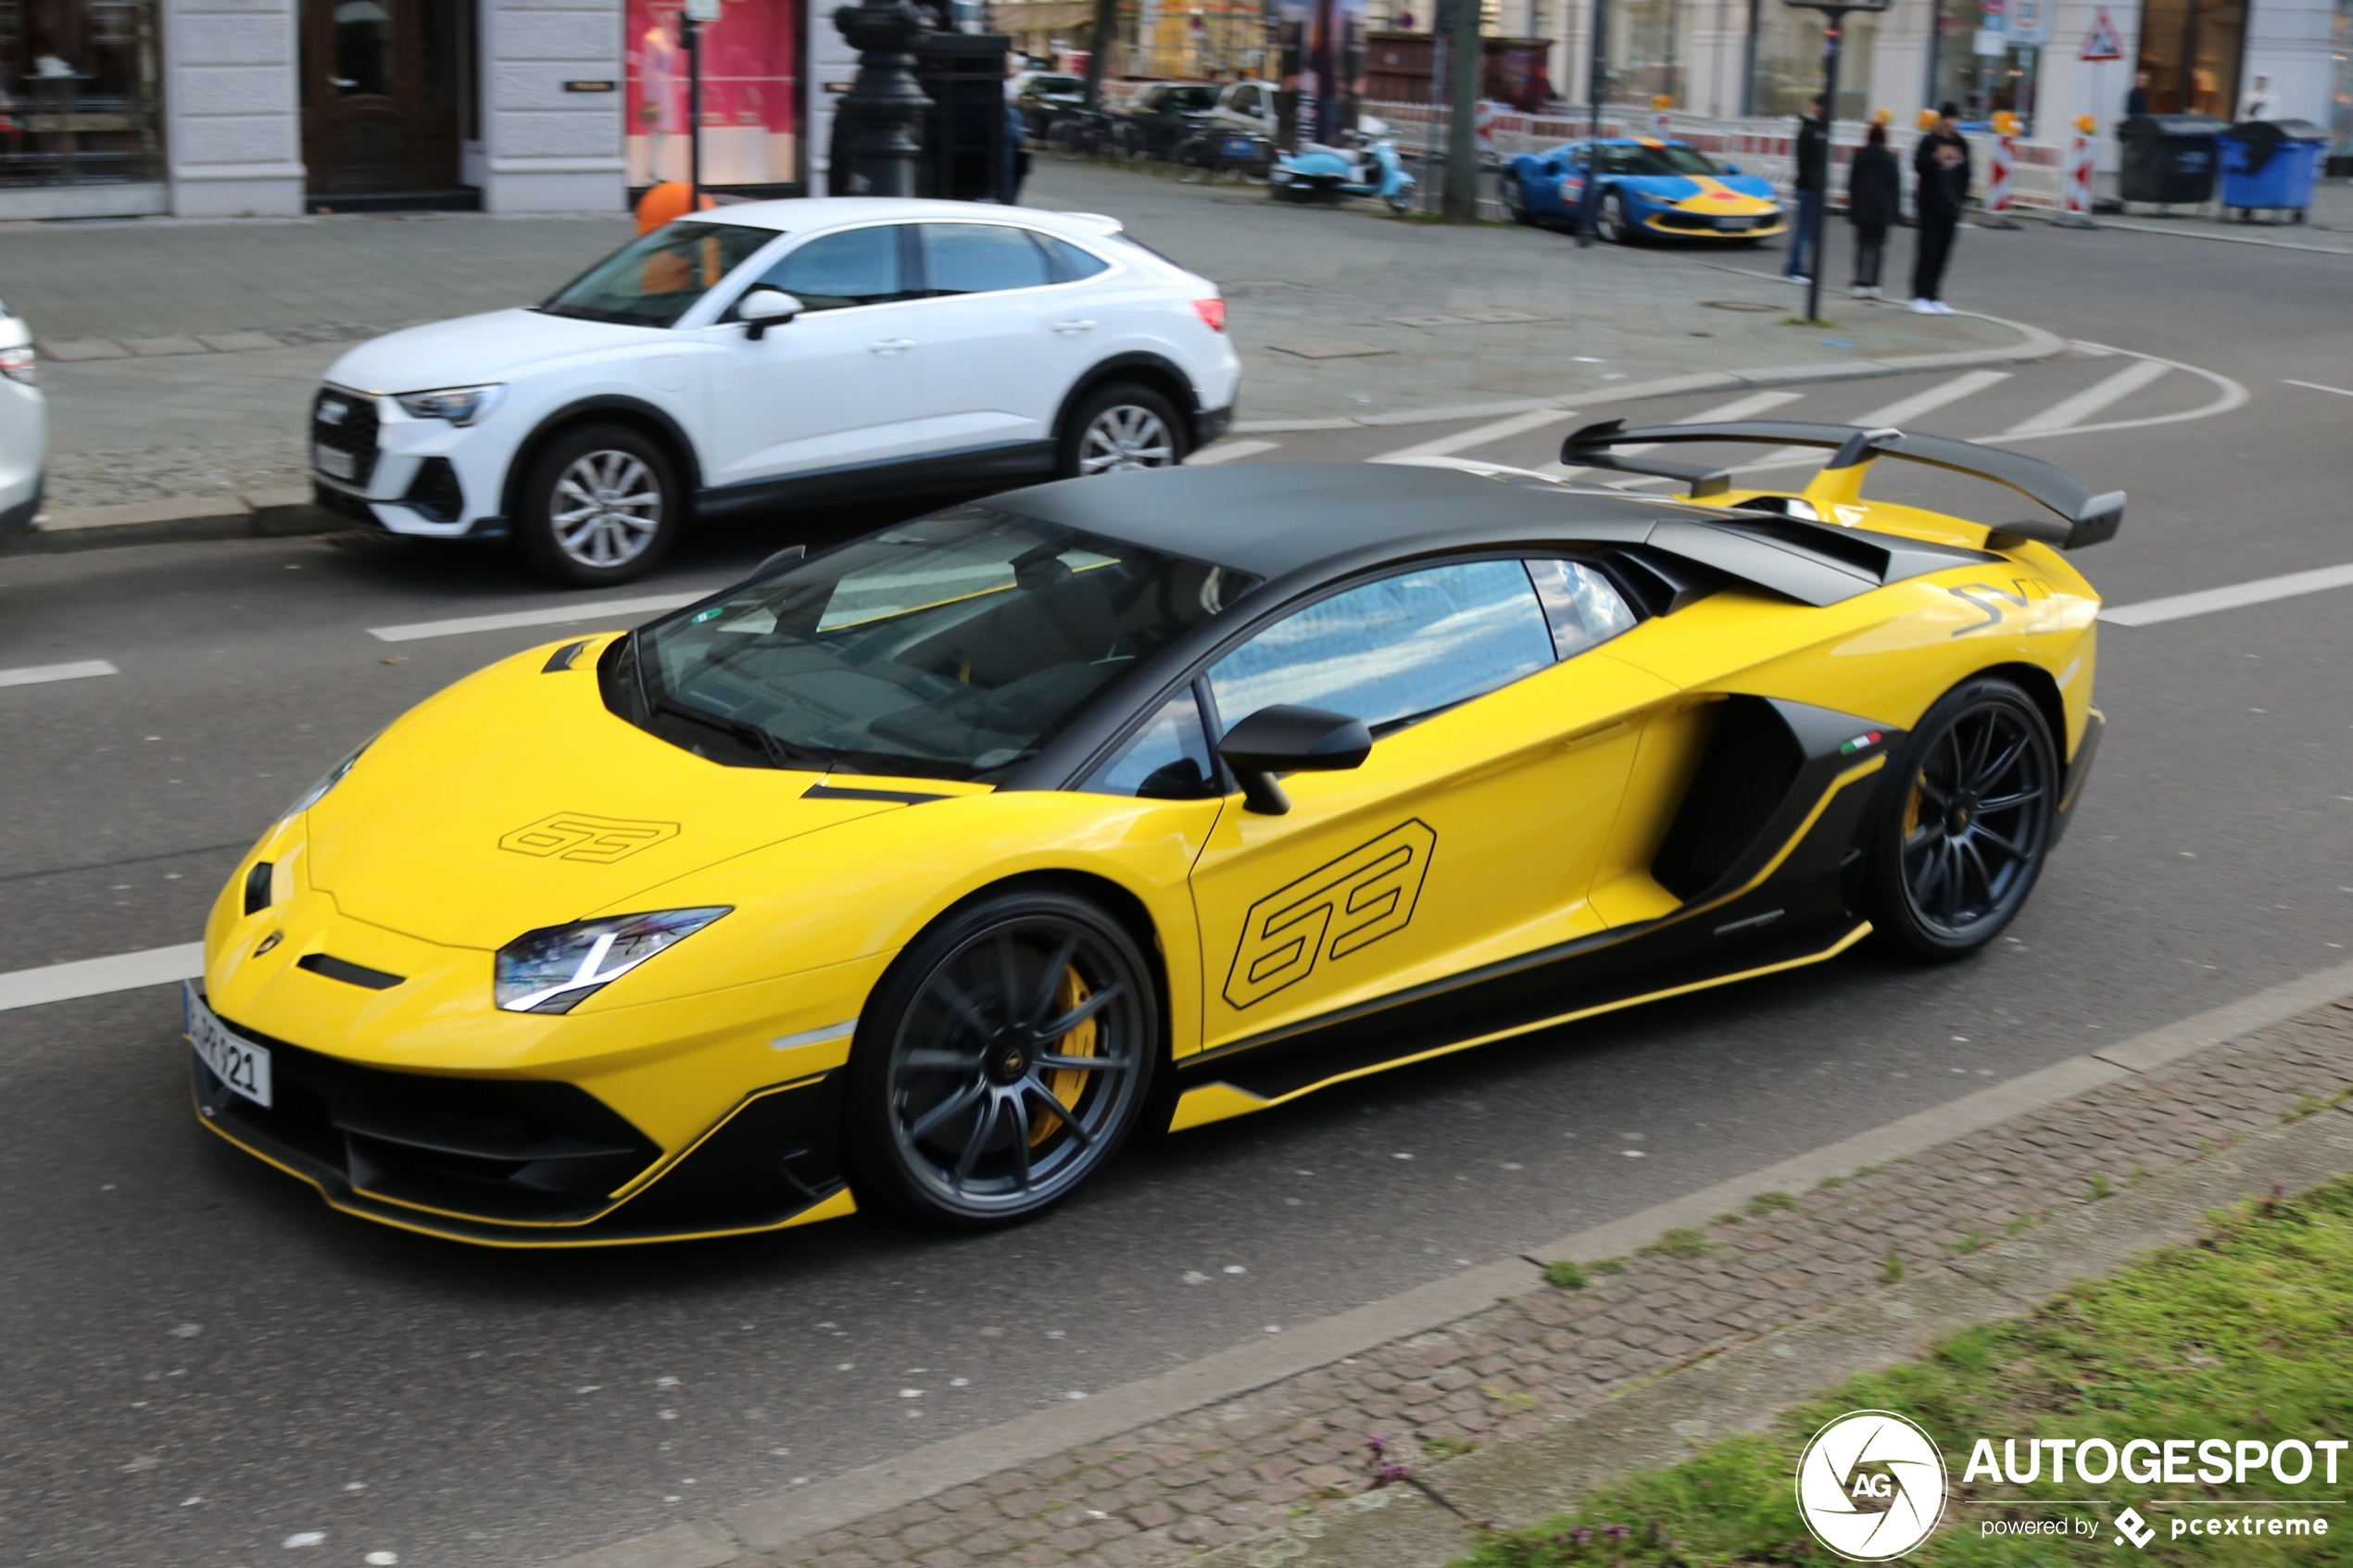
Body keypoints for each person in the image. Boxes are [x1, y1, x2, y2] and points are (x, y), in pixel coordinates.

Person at [1910, 102, 1970, 314]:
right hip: (1930, 204)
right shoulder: (1929, 141)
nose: (1952, 122)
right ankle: (1920, 295)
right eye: (1949, 117)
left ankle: (1935, 295)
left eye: (1955, 118)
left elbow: (1966, 173)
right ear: (1941, 119)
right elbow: (1919, 165)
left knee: (1943, 253)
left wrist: (1962, 199)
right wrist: (1937, 158)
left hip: (1951, 206)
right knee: (1928, 250)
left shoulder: (1962, 144)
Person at [1846, 122, 1899, 297]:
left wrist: (1852, 209)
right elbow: (1895, 186)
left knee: (1862, 246)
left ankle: (1860, 282)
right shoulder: (1890, 158)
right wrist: (1894, 212)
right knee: (1878, 247)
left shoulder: (1860, 156)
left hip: (1863, 207)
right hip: (1882, 208)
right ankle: (1875, 284)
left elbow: (1852, 185)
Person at [1785, 95, 1828, 283]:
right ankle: (1795, 268)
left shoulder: (1821, 129)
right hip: (1809, 187)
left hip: (1814, 187)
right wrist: (1815, 183)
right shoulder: (1810, 130)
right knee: (1804, 230)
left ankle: (1803, 268)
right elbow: (1805, 162)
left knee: (1809, 231)